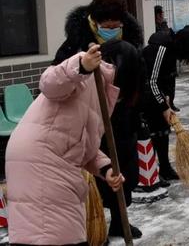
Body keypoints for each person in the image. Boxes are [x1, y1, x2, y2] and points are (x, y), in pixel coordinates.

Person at [6, 45, 124, 245]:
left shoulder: (101, 88)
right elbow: (48, 84)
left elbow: (80, 143)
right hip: (44, 158)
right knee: (55, 235)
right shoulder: (87, 70)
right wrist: (81, 66)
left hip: (42, 154)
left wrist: (106, 169)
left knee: (37, 234)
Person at [95, 40, 145, 239]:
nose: (112, 27)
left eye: (115, 23)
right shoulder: (82, 43)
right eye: (107, 24)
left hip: (124, 121)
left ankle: (119, 222)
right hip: (96, 122)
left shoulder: (131, 50)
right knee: (97, 179)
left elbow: (141, 84)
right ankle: (95, 226)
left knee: (123, 175)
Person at [53, 0, 143, 65]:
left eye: (116, 26)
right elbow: (59, 71)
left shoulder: (131, 41)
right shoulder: (76, 41)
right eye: (106, 27)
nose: (111, 30)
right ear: (94, 22)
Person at [142, 31, 180, 183]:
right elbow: (152, 81)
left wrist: (169, 99)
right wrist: (163, 106)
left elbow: (168, 78)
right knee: (152, 133)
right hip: (147, 99)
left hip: (159, 97)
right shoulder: (159, 50)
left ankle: (165, 167)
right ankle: (152, 172)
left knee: (163, 132)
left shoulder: (170, 52)